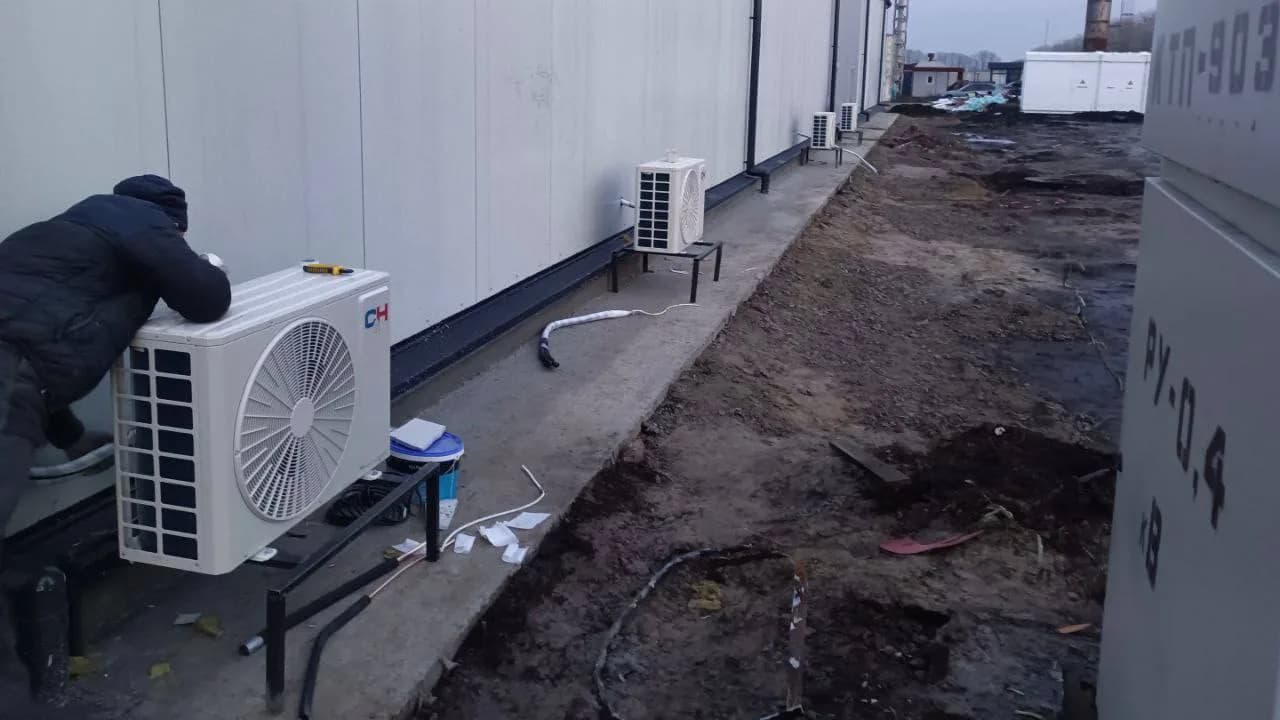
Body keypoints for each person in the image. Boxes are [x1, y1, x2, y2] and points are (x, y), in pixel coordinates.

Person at [0, 175, 231, 707]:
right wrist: (212, 268)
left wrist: (73, 438)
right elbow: (205, 298)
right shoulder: (142, 220)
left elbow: (32, 346)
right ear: (171, 223)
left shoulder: (67, 234)